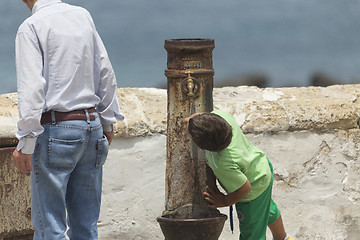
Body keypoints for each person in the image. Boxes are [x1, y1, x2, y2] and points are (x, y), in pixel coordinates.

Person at [12, 0, 124, 239]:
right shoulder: (82, 15)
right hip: (91, 125)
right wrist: (107, 121)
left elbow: (32, 89)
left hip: (56, 130)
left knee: (49, 227)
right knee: (86, 225)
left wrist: (26, 142)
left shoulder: (30, 27)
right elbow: (105, 71)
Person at [184, 110, 293, 240]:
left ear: (201, 147)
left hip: (252, 191)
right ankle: (283, 238)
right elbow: (195, 119)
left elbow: (245, 188)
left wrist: (224, 201)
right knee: (266, 209)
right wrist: (194, 123)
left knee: (251, 233)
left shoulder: (222, 163)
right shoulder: (225, 118)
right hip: (262, 168)